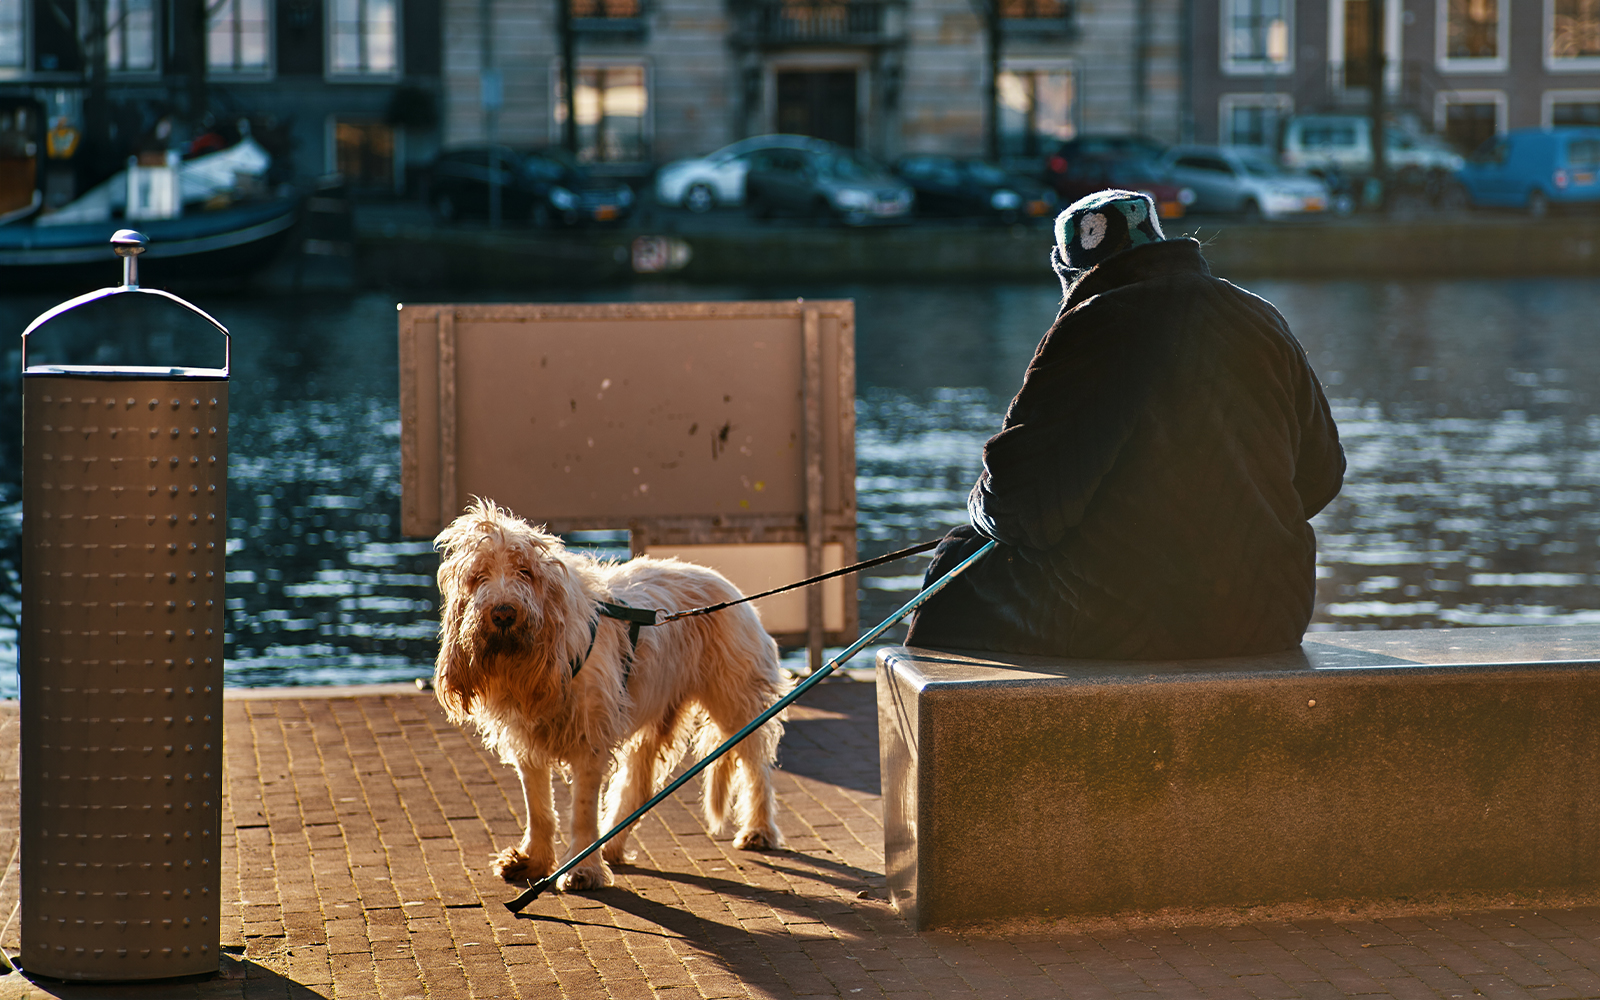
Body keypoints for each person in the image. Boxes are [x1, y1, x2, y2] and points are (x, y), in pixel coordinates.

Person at [905, 189, 1345, 660]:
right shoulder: (1259, 315)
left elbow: (1021, 508)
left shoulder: (1095, 323)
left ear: (1071, 270)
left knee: (957, 571)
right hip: (1272, 612)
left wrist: (979, 506)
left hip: (1139, 619)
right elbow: (1322, 475)